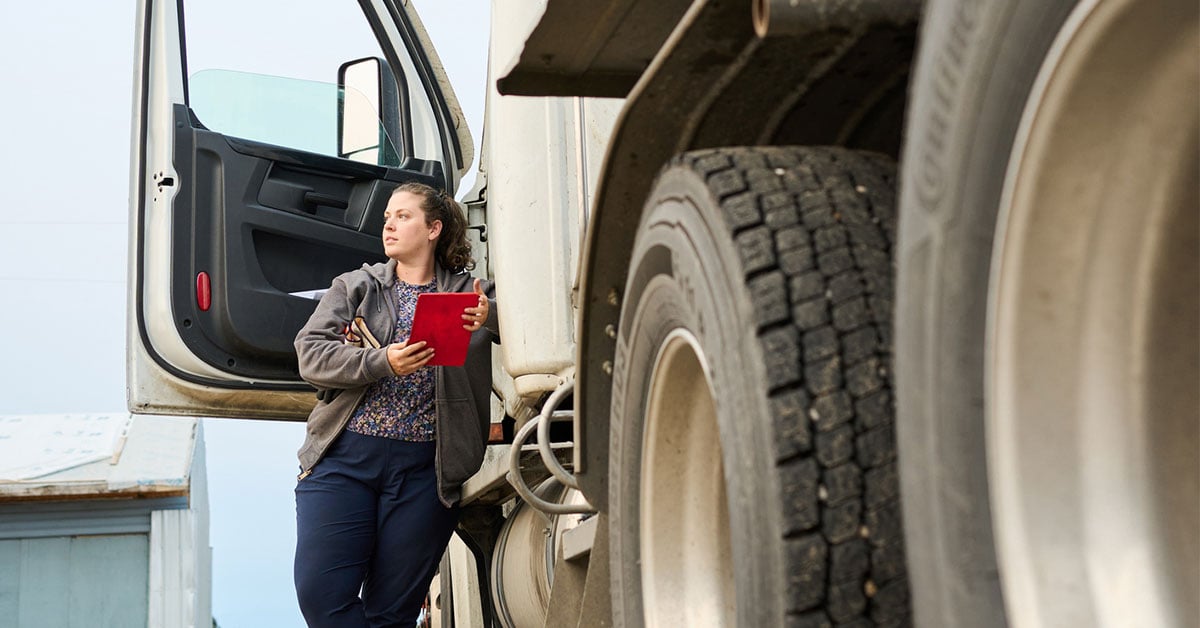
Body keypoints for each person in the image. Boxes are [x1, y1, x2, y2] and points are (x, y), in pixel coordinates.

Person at [292, 181, 498, 627]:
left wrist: (490, 317)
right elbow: (310, 353)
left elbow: (528, 329)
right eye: (388, 216)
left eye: (403, 216)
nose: (389, 224)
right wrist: (381, 360)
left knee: (393, 614)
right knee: (321, 599)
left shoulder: (473, 293)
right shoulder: (356, 287)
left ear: (434, 228)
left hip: (425, 470)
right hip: (345, 460)